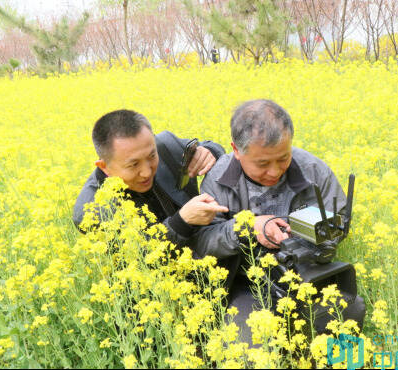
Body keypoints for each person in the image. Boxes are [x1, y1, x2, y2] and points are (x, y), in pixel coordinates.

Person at [194, 99, 365, 342]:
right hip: (249, 285)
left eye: (283, 158)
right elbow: (202, 242)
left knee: (349, 313)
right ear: (236, 150)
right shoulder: (218, 179)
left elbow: (338, 225)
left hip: (312, 275)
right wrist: (247, 228)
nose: (274, 171)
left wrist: (311, 235)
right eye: (262, 163)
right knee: (247, 346)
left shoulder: (314, 170)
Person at [73, 109, 228, 246]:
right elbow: (138, 259)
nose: (147, 172)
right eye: (133, 165)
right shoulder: (92, 212)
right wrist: (181, 222)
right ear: (104, 166)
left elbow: (213, 148)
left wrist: (209, 152)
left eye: (152, 156)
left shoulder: (166, 145)